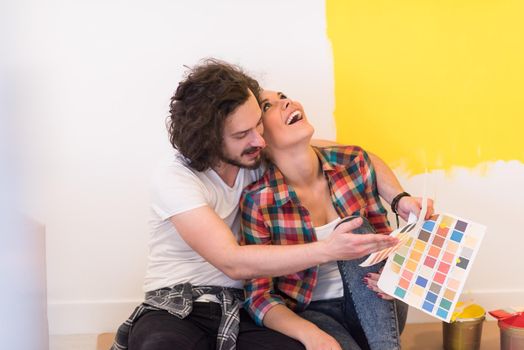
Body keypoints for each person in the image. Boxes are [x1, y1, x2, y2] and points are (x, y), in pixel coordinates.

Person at [111, 59, 432, 350]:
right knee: (161, 345)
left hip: (245, 305)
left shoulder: (259, 156)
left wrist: (399, 198)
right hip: (180, 302)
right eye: (244, 133)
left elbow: (359, 157)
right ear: (211, 139)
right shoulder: (179, 178)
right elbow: (233, 262)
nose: (259, 140)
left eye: (258, 126)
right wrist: (329, 250)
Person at [240, 90, 433, 350]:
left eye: (283, 96)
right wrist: (309, 334)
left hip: (378, 301)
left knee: (356, 228)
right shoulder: (259, 201)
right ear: (258, 136)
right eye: (268, 106)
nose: (287, 101)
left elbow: (385, 239)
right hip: (312, 312)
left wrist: (396, 276)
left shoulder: (353, 163)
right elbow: (259, 296)